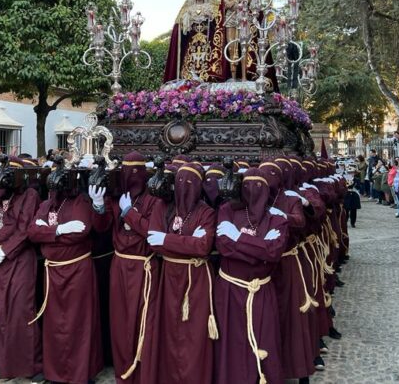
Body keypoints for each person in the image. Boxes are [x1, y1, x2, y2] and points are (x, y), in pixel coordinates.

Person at [93, 151, 167, 383]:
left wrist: (130, 214)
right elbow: (103, 227)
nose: (131, 176)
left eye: (137, 170)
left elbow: (153, 232)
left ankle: (144, 372)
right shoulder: (116, 197)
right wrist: (97, 206)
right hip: (120, 265)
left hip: (144, 266)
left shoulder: (155, 199)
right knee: (120, 319)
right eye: (127, 170)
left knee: (143, 320)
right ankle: (123, 369)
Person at [26, 163, 103, 384]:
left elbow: (81, 231)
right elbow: (32, 231)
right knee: (54, 324)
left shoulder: (80, 202)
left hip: (77, 269)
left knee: (78, 322)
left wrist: (47, 232)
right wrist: (59, 229)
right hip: (53, 271)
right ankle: (55, 370)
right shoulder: (47, 204)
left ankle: (81, 371)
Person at [214, 166, 290, 384]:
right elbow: (224, 246)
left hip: (260, 290)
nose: (252, 191)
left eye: (259, 186)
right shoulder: (227, 210)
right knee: (232, 342)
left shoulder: (276, 219)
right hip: (229, 289)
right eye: (247, 185)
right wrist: (260, 249)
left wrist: (239, 238)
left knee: (264, 339)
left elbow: (275, 252)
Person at [142, 163, 216, 384]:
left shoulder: (207, 212)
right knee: (169, 330)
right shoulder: (163, 208)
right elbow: (153, 241)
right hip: (169, 276)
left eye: (191, 183)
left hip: (196, 278)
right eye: (180, 181)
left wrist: (168, 239)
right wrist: (188, 241)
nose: (185, 187)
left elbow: (203, 246)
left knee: (194, 333)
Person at [0, 160, 42, 382]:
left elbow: (25, 229)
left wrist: (6, 250)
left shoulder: (30, 196)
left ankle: (28, 364)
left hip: (19, 260)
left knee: (21, 310)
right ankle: (3, 363)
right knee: (0, 312)